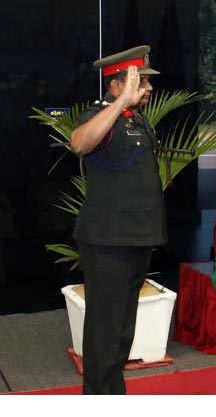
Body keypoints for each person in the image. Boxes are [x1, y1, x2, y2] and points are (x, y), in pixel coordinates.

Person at [70, 45, 167, 394]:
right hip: (108, 243)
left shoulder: (138, 120)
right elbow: (79, 143)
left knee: (122, 330)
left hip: (137, 239)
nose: (149, 88)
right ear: (116, 86)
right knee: (104, 331)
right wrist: (119, 103)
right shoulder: (99, 115)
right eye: (141, 82)